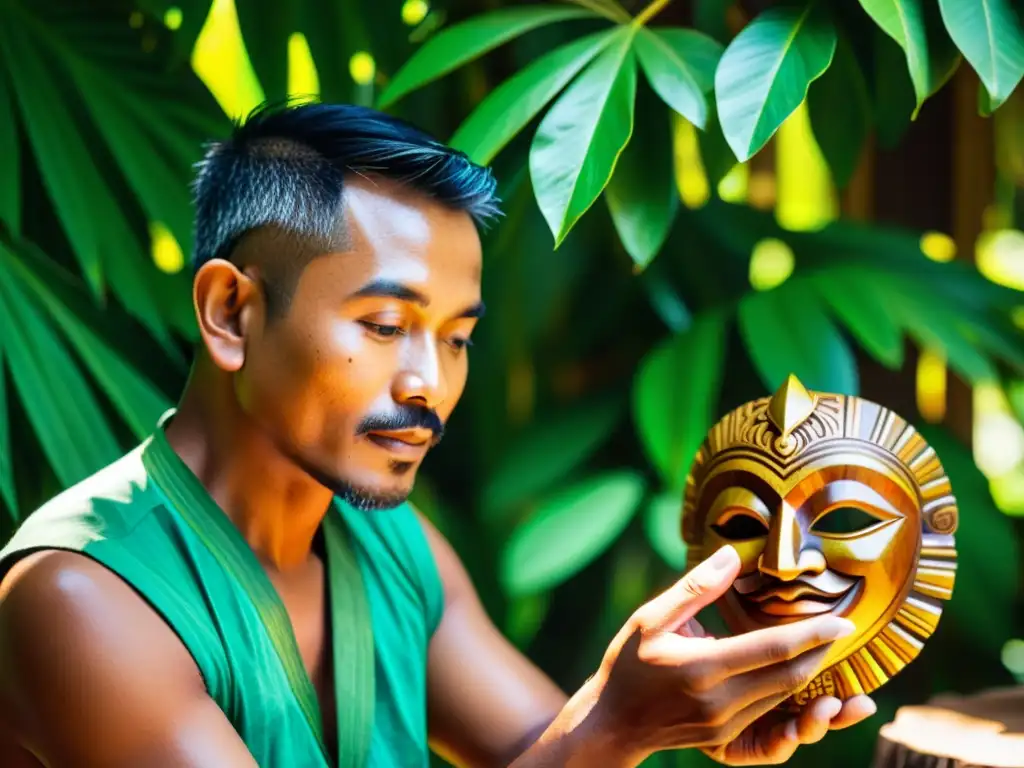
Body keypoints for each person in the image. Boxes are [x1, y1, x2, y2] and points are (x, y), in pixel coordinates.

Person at [0, 102, 875, 767]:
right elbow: (581, 739)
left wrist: (691, 706)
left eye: (456, 338)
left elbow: (539, 741)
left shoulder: (393, 546)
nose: (430, 383)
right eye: (385, 324)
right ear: (232, 310)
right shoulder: (81, 599)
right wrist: (613, 723)